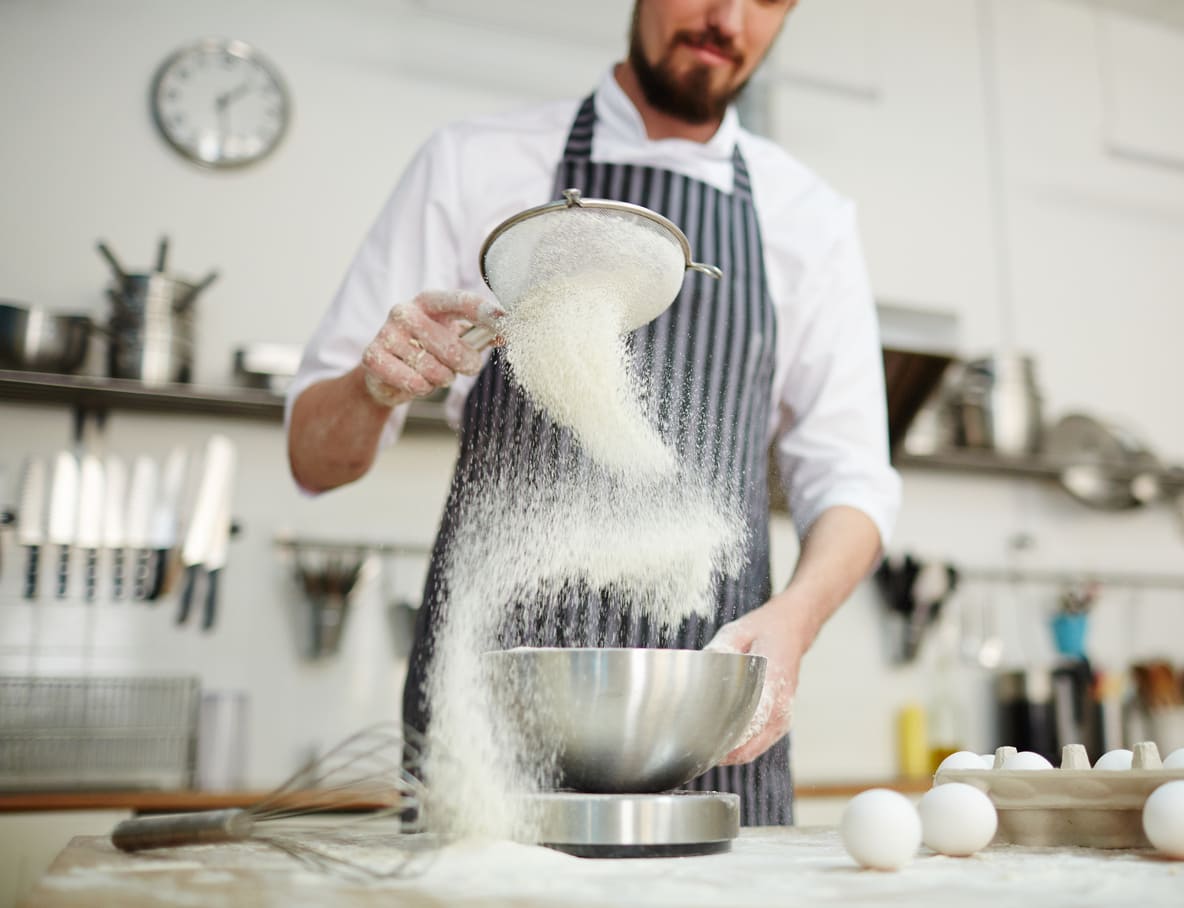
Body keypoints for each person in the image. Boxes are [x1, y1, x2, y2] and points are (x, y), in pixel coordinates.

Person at [286, 0, 899, 826]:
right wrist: (374, 386)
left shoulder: (808, 218)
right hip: (488, 729)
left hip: (706, 732)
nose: (726, 17)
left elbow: (852, 478)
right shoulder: (475, 164)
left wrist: (796, 621)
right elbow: (312, 460)